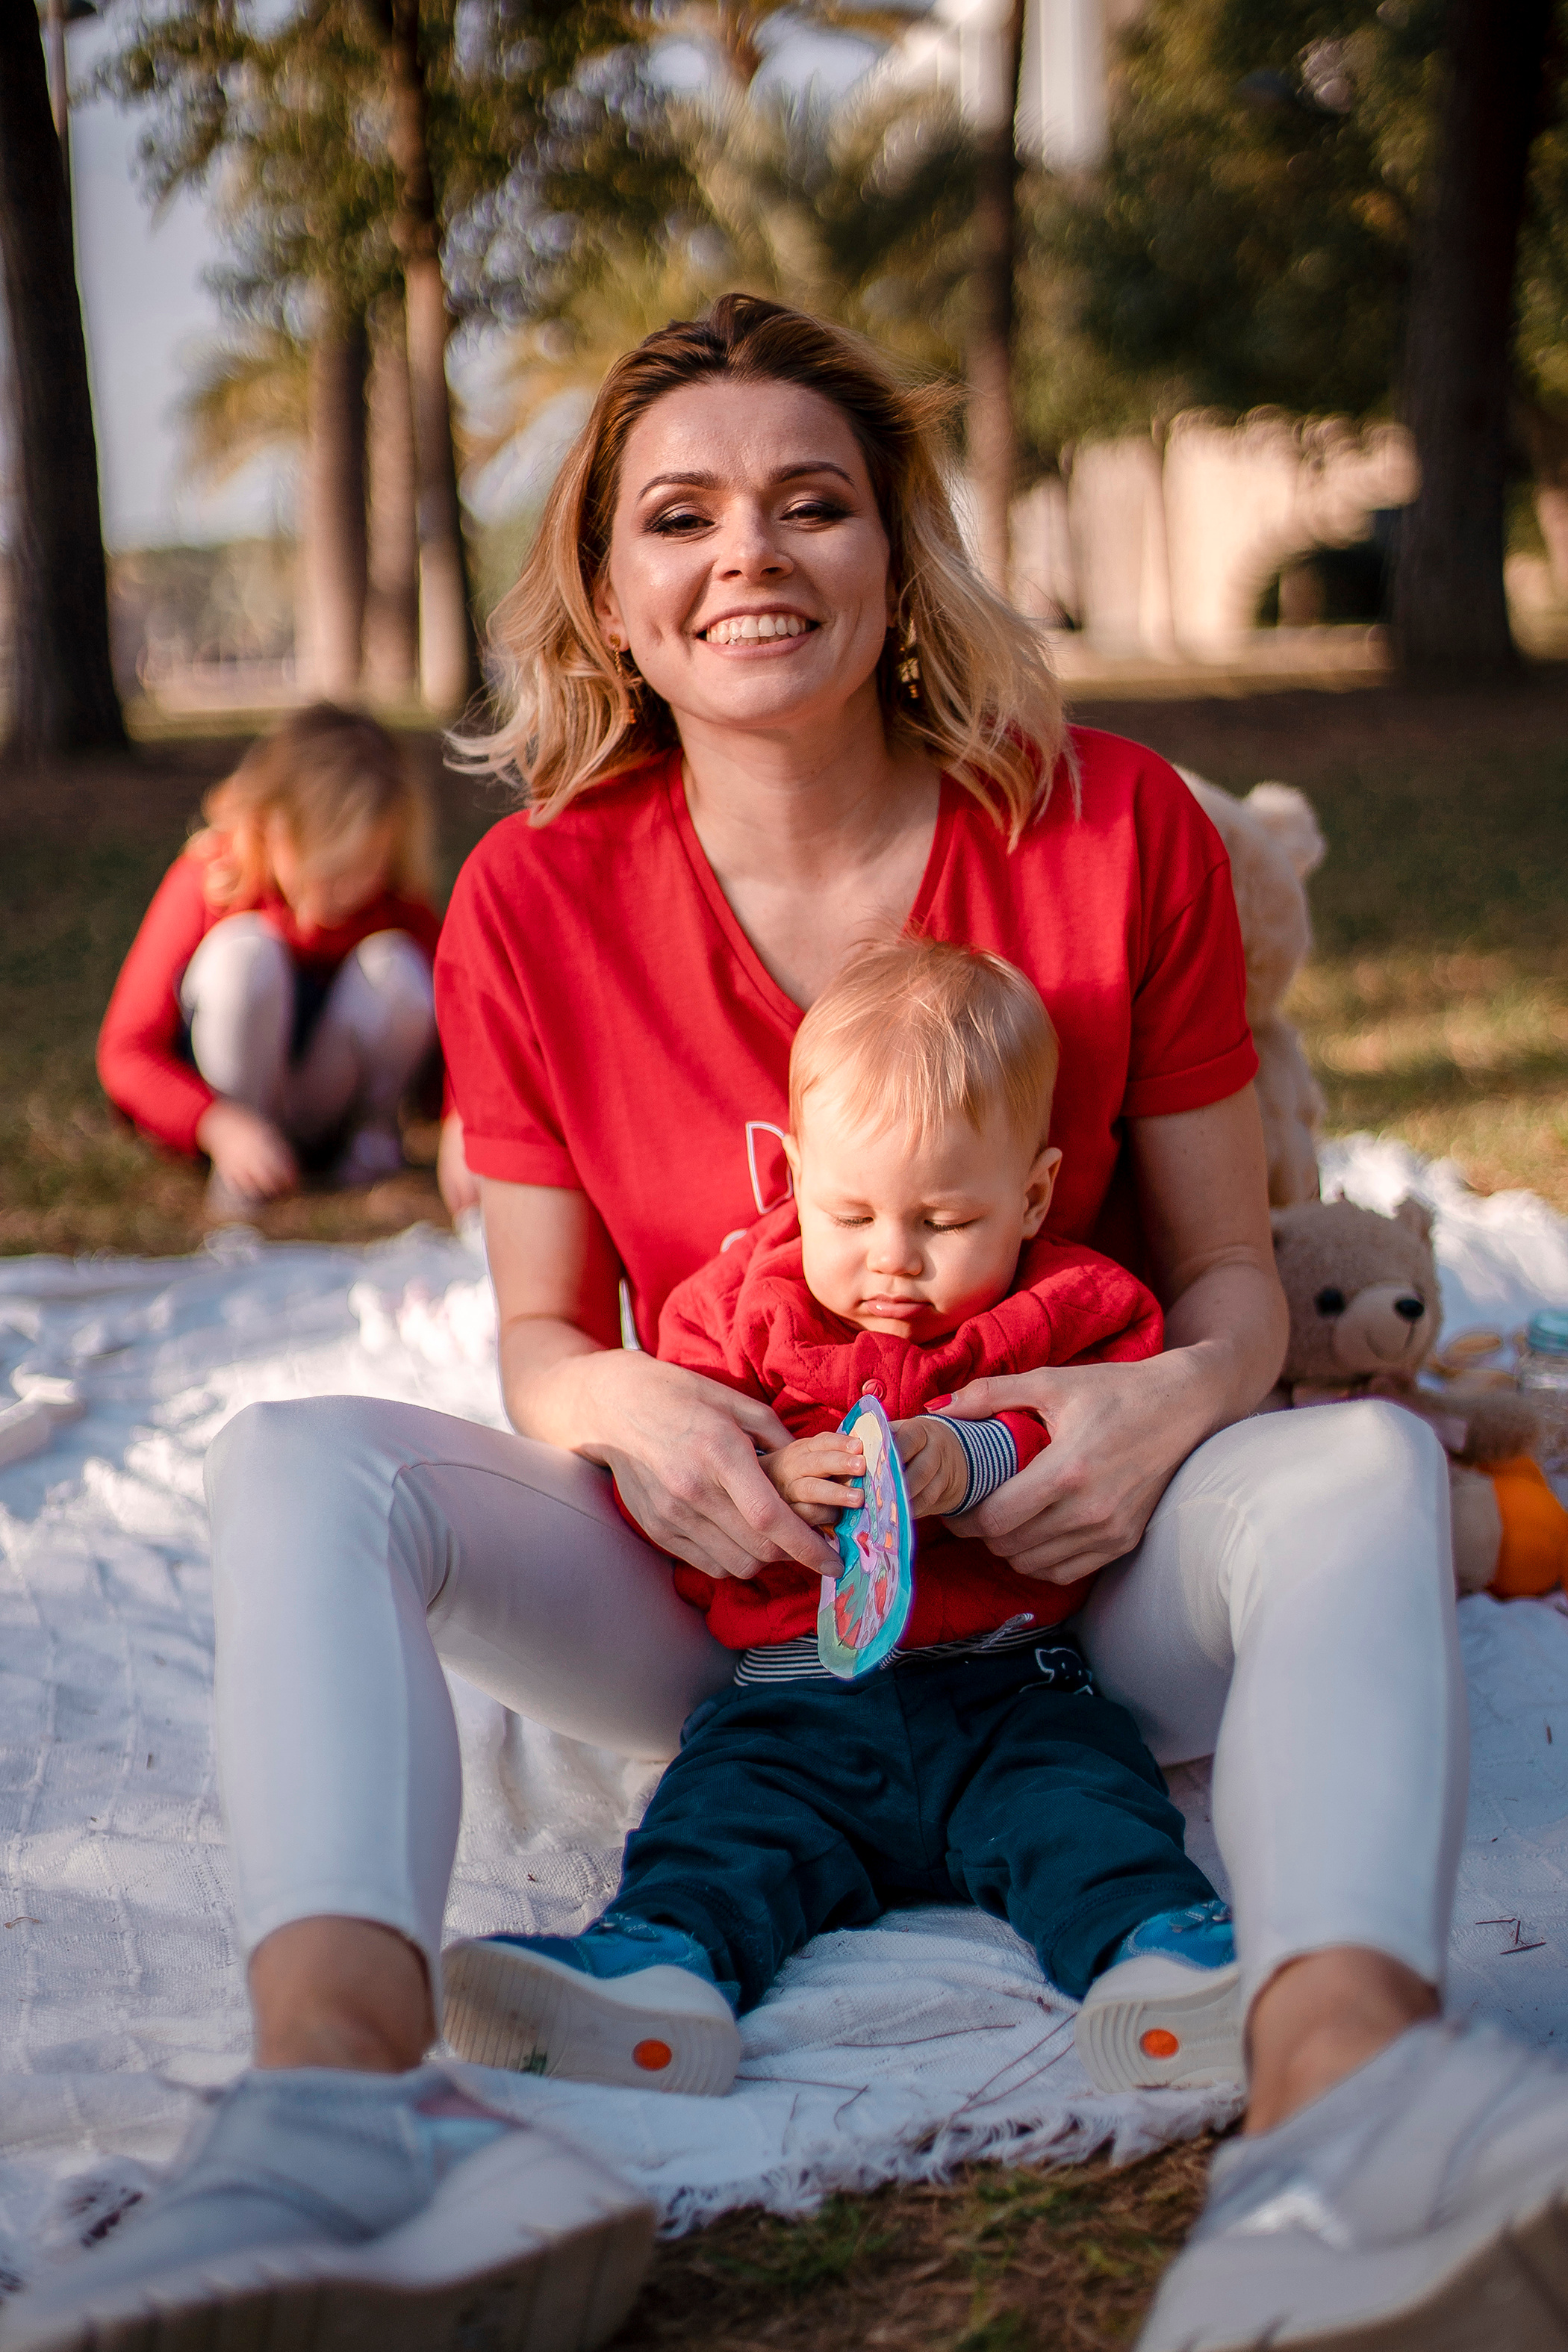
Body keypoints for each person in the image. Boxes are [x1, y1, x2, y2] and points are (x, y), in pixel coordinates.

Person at [17, 293, 1568, 2352]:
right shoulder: (527, 902)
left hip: (1081, 1584)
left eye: (808, 501)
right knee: (299, 1459)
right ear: (607, 590)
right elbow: (545, 1336)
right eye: (679, 514)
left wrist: (1156, 1406)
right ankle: (342, 2110)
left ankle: (1342, 2100)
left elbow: (1222, 1281)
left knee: (1362, 1450)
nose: (745, 550)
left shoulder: (1111, 825)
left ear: (892, 553)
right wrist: (640, 1413)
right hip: (747, 1595)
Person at [441, 938, 1242, 2103]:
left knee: (1087, 1816)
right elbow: (683, 1468)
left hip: (1007, 1685)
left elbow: (1094, 1427)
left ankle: (1165, 1966)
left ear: (1031, 1195)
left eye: (944, 1220)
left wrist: (965, 1459)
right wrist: (771, 1478)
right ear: (793, 1176)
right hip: (797, 1696)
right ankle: (657, 1976)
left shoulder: (1065, 1305)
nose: (891, 1260)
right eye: (851, 1211)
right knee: (718, 1829)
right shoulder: (734, 1311)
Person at [97, 702, 448, 1219]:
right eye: (322, 869)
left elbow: (463, 1047)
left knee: (396, 966)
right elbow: (126, 1051)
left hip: (331, 1110)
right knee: (245, 954)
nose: (340, 894)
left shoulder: (400, 908)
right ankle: (245, 1167)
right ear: (267, 824)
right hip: (233, 1112)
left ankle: (369, 1145)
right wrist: (214, 1124)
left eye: (363, 868)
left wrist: (461, 1122)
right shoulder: (210, 879)